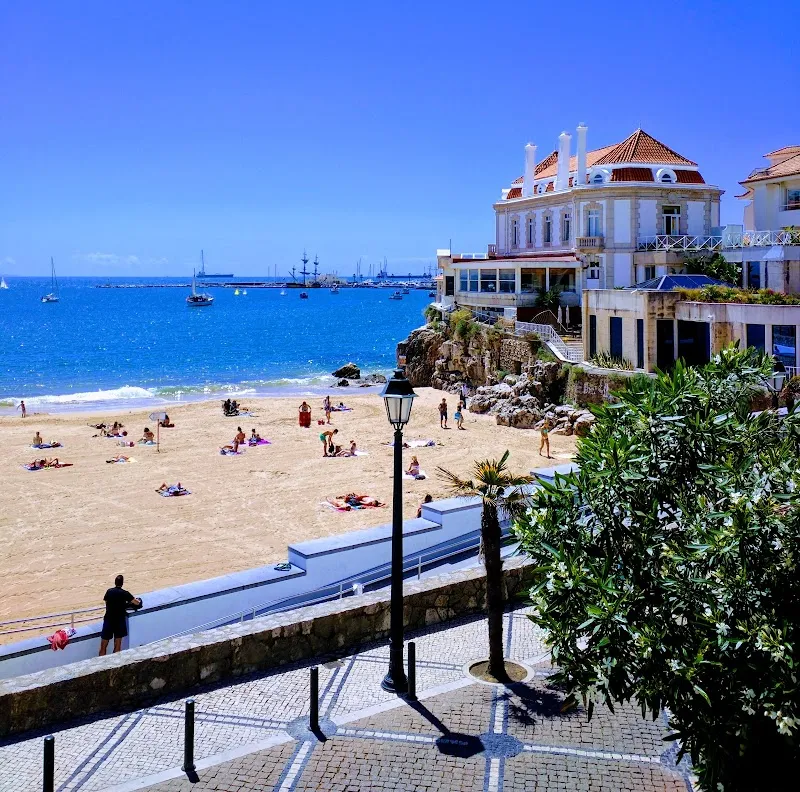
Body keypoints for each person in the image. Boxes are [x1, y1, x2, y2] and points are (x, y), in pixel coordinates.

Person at [99, 574, 141, 656]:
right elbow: (136, 602)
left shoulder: (109, 591)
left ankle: (100, 662)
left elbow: (106, 602)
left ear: (115, 582)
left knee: (103, 645)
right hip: (119, 620)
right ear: (122, 583)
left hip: (109, 619)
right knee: (117, 644)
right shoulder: (125, 593)